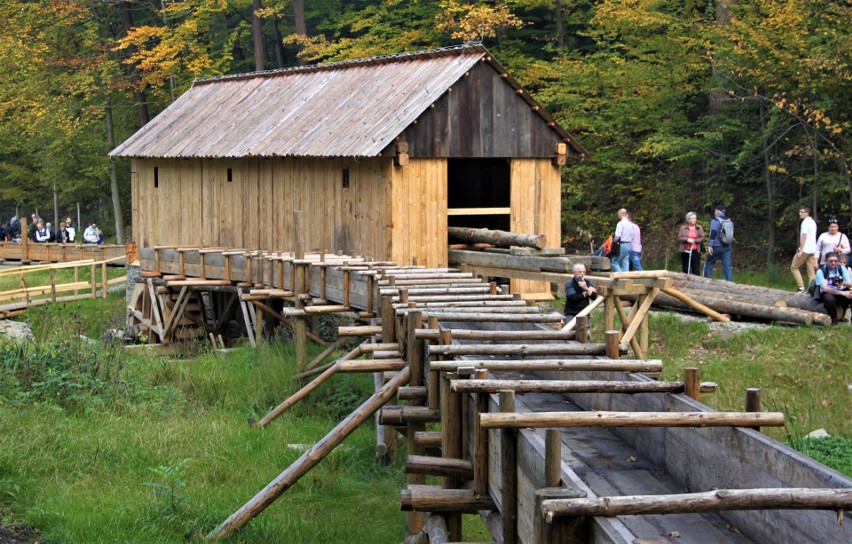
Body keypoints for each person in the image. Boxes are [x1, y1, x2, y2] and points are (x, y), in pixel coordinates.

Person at [813, 252, 852, 324]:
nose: (833, 263)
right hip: (828, 292)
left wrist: (844, 283)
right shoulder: (820, 271)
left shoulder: (841, 269)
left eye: (835, 261)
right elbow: (825, 288)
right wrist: (842, 293)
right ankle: (834, 319)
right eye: (831, 261)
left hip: (841, 289)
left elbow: (850, 284)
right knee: (829, 300)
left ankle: (844, 315)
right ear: (826, 261)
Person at [703, 204, 733, 281]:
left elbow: (713, 232)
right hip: (727, 246)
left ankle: (707, 281)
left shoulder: (715, 220)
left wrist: (710, 245)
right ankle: (729, 283)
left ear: (717, 212)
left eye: (715, 211)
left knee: (709, 263)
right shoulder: (729, 221)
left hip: (716, 246)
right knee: (727, 266)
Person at [791, 206, 817, 293]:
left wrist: (800, 249)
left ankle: (801, 287)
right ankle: (811, 289)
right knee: (811, 271)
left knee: (794, 267)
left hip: (805, 249)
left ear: (807, 213)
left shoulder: (805, 222)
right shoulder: (813, 222)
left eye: (802, 212)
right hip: (812, 249)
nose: (800, 214)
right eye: (800, 212)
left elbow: (804, 236)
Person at [611, 208, 632, 272]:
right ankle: (626, 277)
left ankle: (621, 275)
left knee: (614, 262)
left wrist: (613, 242)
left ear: (620, 214)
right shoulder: (630, 224)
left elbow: (617, 235)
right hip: (629, 244)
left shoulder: (620, 223)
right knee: (625, 262)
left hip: (622, 244)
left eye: (618, 214)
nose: (618, 216)